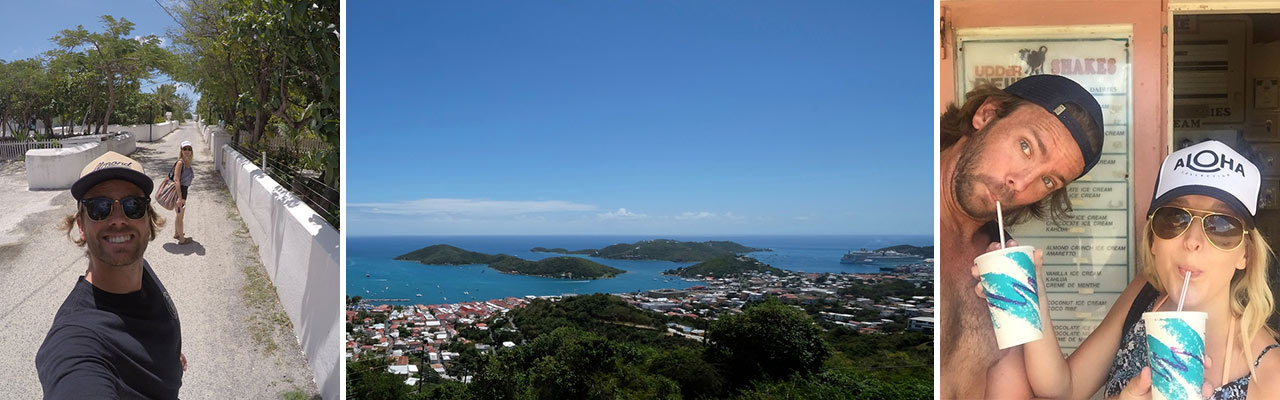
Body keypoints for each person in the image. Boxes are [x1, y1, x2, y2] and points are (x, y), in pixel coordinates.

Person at [1003, 140, 1280, 399]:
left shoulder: (1269, 377)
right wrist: (1034, 299)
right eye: (1174, 218)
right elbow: (1065, 388)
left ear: (1245, 254)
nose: (1193, 242)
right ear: (1153, 241)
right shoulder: (1144, 295)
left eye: (1221, 226)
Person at [939, 74, 1105, 399]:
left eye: (1048, 181)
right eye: (1026, 147)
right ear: (986, 115)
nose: (1021, 182)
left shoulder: (1001, 263)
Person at [36, 151, 185, 398]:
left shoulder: (139, 268)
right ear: (82, 226)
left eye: (133, 205)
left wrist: (167, 359)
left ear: (147, 220)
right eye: (100, 207)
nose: (118, 219)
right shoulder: (76, 339)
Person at [172, 140, 195, 244]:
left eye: (189, 149)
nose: (187, 151)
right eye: (184, 149)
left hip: (184, 190)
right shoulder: (180, 163)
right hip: (179, 191)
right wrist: (179, 197)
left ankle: (177, 233)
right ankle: (182, 239)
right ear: (181, 150)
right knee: (180, 215)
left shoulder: (187, 162)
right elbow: (176, 180)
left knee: (179, 215)